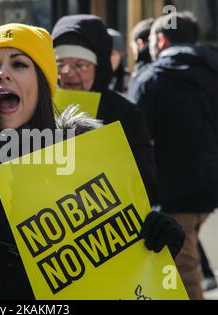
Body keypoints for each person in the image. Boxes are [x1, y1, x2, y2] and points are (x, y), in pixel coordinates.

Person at [0, 23, 185, 300]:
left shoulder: (78, 148)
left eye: (19, 64)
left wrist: (152, 243)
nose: (2, 74)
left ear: (43, 83)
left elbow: (107, 264)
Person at [130, 12, 218, 300]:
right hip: (209, 187)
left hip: (170, 192)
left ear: (160, 39)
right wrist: (215, 164)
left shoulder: (151, 78)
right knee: (183, 260)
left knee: (184, 269)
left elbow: (133, 140)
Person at [51, 14, 158, 207]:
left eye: (80, 65)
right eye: (60, 64)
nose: (68, 72)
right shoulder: (41, 107)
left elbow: (145, 185)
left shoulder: (125, 114)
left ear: (98, 68)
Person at [107, 28, 130, 94]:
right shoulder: (90, 80)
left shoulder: (129, 81)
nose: (108, 58)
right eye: (105, 54)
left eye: (112, 54)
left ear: (121, 55)